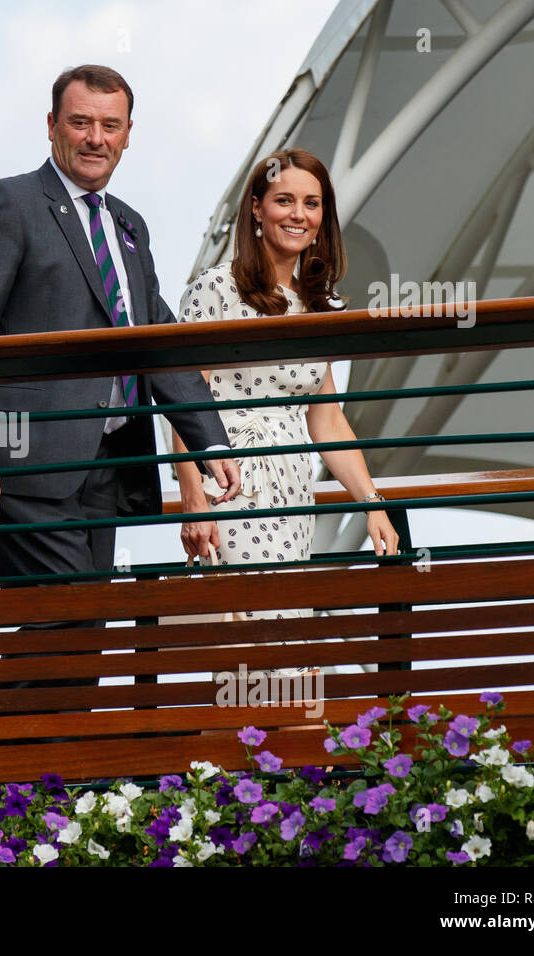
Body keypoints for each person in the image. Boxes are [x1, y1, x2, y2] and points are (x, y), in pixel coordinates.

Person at [0, 64, 241, 604]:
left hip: (106, 465)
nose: (96, 138)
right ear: (51, 125)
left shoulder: (129, 225)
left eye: (110, 125)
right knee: (64, 622)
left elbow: (158, 338)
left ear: (126, 135)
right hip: (19, 462)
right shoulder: (8, 203)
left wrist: (207, 436)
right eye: (80, 122)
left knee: (83, 635)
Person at [170, 148, 398, 624]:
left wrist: (373, 504)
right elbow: (183, 401)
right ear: (257, 208)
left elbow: (328, 419)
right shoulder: (214, 289)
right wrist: (193, 503)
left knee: (287, 627)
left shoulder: (315, 305)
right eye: (285, 200)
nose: (299, 215)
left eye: (312, 204)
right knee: (248, 632)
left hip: (294, 486)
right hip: (229, 483)